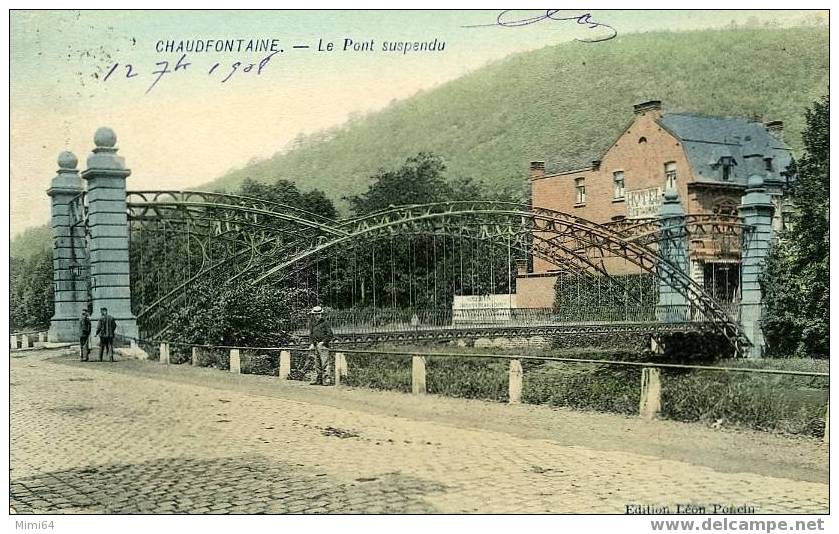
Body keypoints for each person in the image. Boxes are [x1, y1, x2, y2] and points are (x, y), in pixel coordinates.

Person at [308, 306, 334, 385]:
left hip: (323, 346)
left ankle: (326, 380)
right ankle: (318, 379)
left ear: (321, 314)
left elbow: (330, 335)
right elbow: (311, 335)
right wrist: (312, 343)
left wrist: (323, 342)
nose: (317, 316)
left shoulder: (325, 323)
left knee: (325, 363)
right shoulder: (312, 323)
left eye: (318, 314)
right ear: (313, 315)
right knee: (317, 363)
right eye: (315, 314)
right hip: (316, 345)